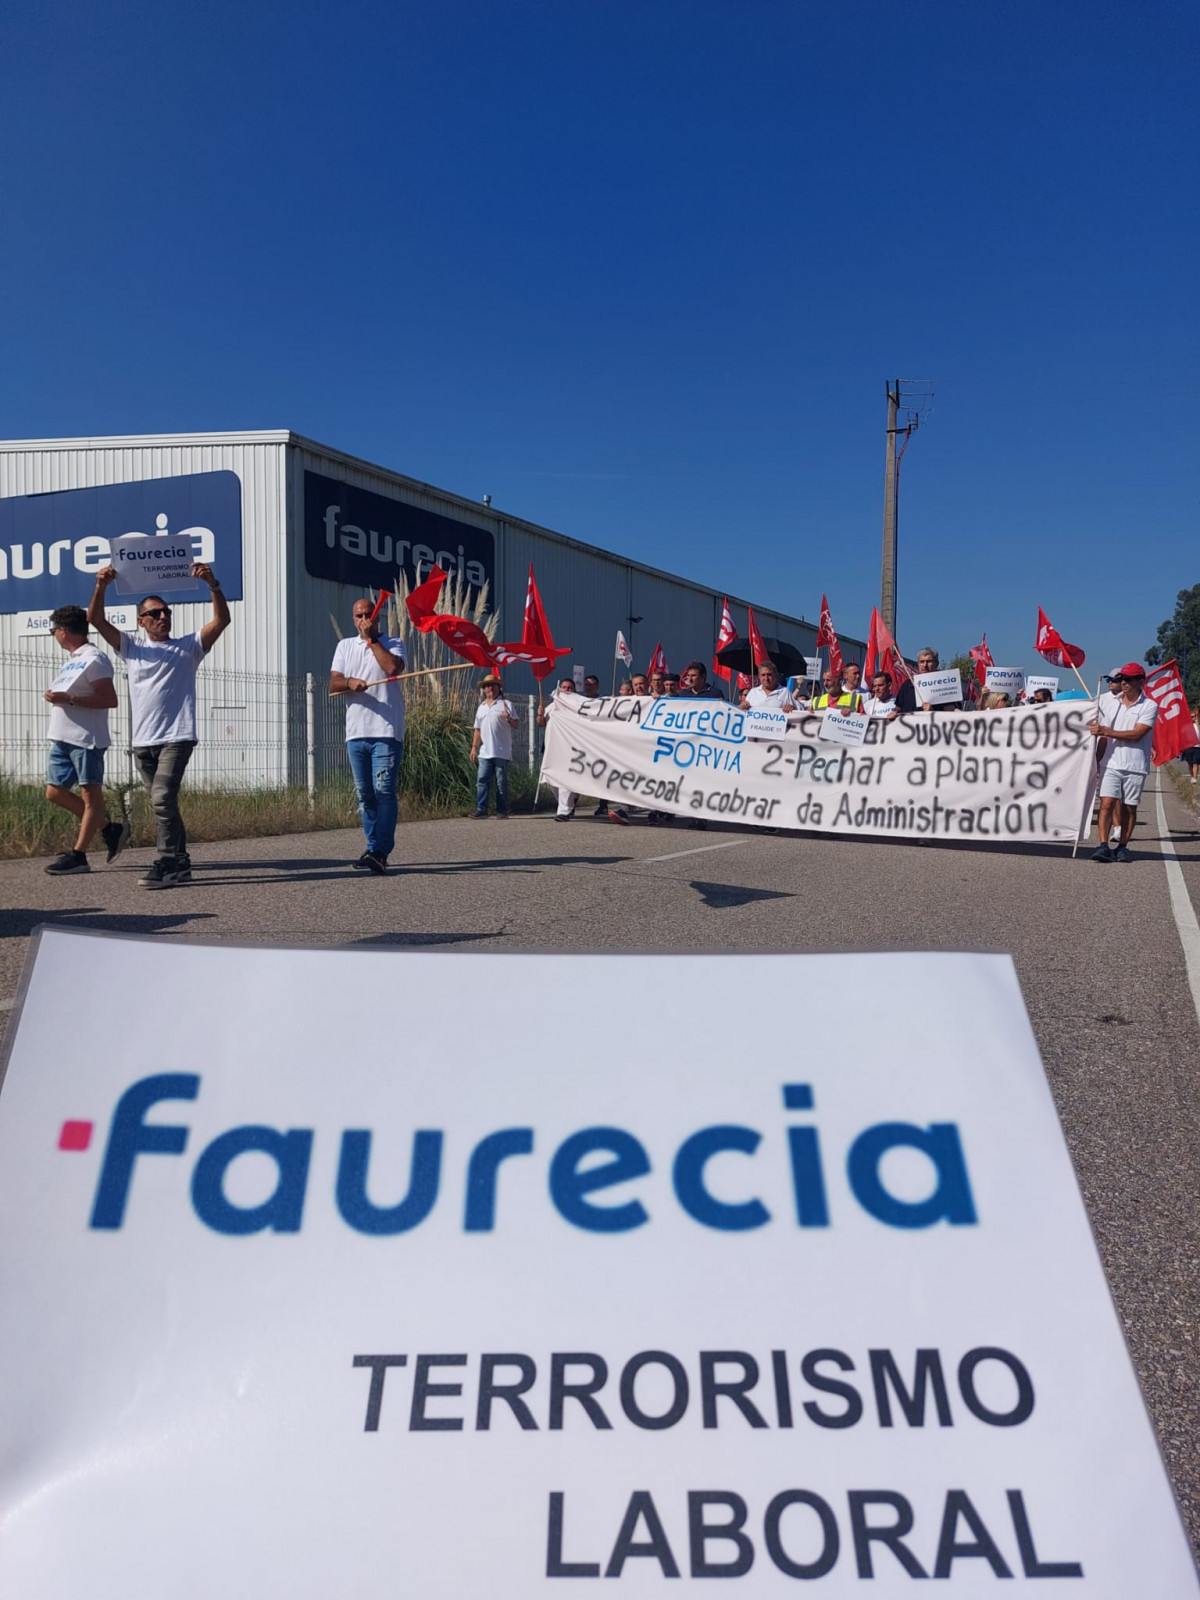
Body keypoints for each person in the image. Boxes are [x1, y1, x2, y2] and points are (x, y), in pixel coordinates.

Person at [88, 562, 230, 889]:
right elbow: (95, 620)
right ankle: (181, 864)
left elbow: (222, 620)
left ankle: (166, 862)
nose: (163, 617)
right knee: (163, 804)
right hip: (143, 743)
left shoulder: (188, 647)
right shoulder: (131, 648)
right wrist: (101, 586)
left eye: (166, 612)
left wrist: (213, 583)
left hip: (177, 737)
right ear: (142, 621)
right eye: (154, 614)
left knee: (162, 798)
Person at [41, 604, 130, 875]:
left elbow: (109, 699)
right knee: (54, 792)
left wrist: (68, 698)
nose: (54, 635)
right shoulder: (74, 658)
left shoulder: (95, 659)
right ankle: (109, 828)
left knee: (91, 798)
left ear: (64, 631)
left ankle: (79, 856)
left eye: (53, 630)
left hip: (86, 740)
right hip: (63, 738)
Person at [330, 597, 407, 874]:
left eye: (368, 615)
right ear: (353, 619)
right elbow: (334, 681)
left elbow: (392, 668)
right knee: (365, 795)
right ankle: (373, 845)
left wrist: (373, 640)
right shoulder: (344, 646)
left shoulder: (393, 643)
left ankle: (380, 851)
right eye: (358, 615)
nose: (363, 619)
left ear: (377, 617)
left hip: (385, 730)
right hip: (356, 732)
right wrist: (350, 682)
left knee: (383, 791)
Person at [1088, 664, 1158, 863]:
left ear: (1140, 681)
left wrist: (1105, 731)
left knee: (1129, 808)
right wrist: (1096, 759)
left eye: (1129, 679)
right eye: (1122, 679)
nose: (1124, 683)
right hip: (1111, 762)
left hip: (1135, 764)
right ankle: (1102, 845)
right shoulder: (1111, 704)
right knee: (1107, 803)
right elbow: (1103, 735)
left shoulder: (1149, 706)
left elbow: (1137, 734)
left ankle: (1123, 846)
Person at [470, 674, 520, 818]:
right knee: (482, 780)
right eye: (487, 686)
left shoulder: (506, 704)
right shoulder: (482, 707)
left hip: (501, 751)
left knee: (500, 781)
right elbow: (477, 729)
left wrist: (509, 719)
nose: (490, 688)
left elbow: (516, 725)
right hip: (485, 751)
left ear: (498, 687)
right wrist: (474, 747)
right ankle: (481, 809)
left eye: (493, 685)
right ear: (484, 689)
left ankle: (502, 810)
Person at [536, 678, 579, 820]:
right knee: (551, 780)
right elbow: (541, 723)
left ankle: (563, 811)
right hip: (552, 749)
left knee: (565, 779)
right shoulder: (552, 706)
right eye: (564, 687)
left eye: (570, 687)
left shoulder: (579, 706)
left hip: (571, 749)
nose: (567, 690)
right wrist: (539, 714)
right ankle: (569, 804)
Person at [894, 647, 962, 715]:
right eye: (922, 662)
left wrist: (933, 712)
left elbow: (953, 713)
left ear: (936, 664)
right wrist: (894, 713)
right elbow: (898, 708)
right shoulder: (908, 685)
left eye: (929, 661)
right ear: (918, 664)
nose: (925, 665)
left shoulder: (947, 684)